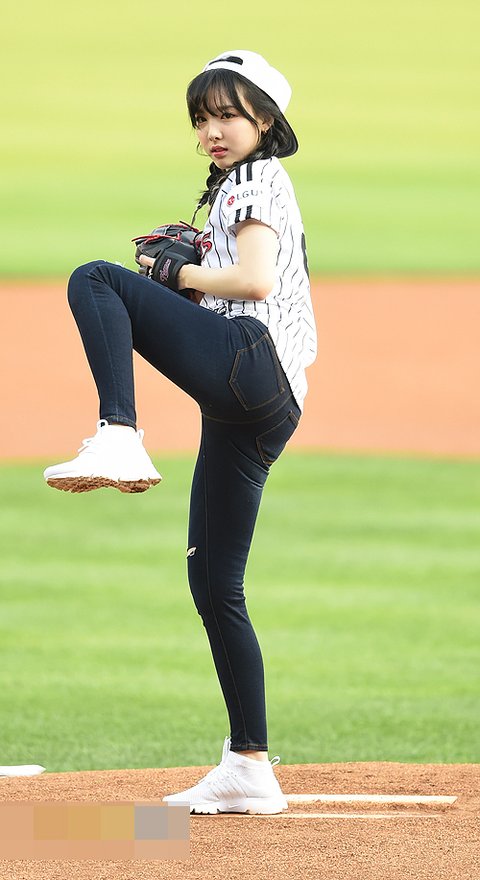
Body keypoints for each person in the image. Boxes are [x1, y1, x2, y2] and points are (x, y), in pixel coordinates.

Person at [44, 50, 317, 814]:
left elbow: (256, 281)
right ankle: (249, 765)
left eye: (227, 113)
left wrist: (182, 275)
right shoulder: (241, 185)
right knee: (215, 583)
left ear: (265, 118)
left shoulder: (255, 177)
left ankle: (119, 430)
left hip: (253, 365)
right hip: (261, 400)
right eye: (201, 118)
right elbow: (240, 284)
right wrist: (197, 262)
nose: (212, 130)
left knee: (97, 279)